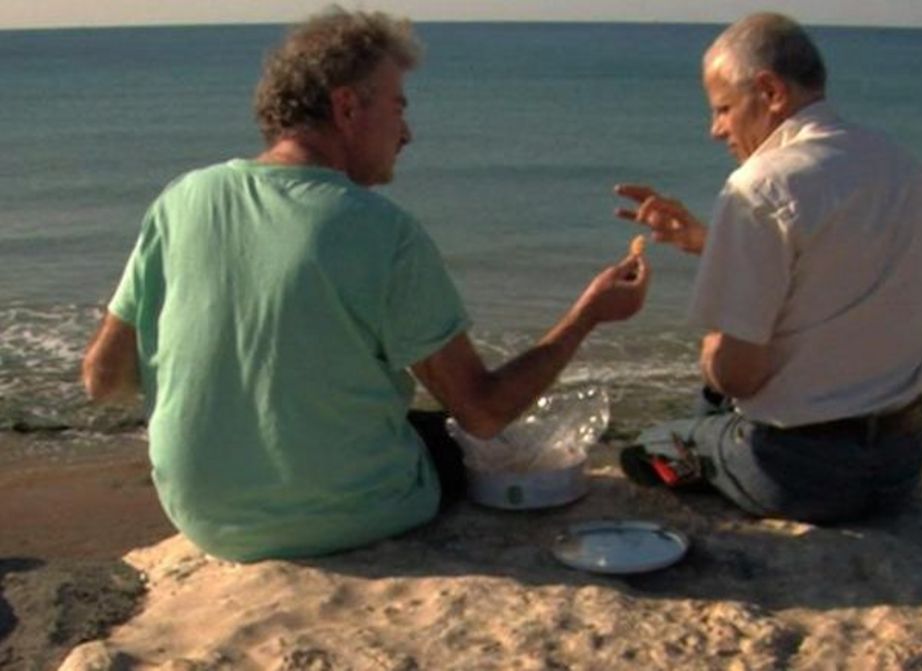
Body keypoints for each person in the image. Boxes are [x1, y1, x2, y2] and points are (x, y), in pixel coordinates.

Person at [81, 8, 649, 562]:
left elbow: (102, 378)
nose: (407, 132)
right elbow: (483, 410)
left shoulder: (182, 199)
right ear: (347, 106)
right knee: (459, 438)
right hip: (352, 513)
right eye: (398, 107)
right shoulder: (381, 230)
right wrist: (588, 315)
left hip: (204, 516)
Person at [615, 12, 922, 523]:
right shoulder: (898, 162)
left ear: (769, 91)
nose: (715, 129)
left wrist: (711, 350)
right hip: (900, 462)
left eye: (723, 109)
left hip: (800, 475)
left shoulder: (759, 187)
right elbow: (829, 264)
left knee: (650, 444)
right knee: (714, 405)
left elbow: (739, 377)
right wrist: (707, 243)